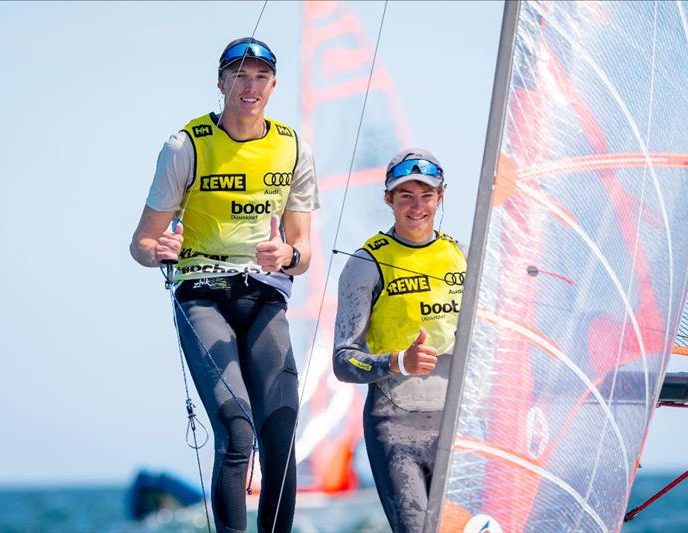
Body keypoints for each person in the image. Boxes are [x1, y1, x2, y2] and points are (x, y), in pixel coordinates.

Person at [130, 37, 319, 533]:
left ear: (273, 85)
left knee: (279, 427)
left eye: (260, 76)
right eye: (239, 75)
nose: (249, 86)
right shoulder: (185, 146)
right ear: (221, 83)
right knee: (238, 429)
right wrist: (158, 251)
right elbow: (142, 242)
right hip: (201, 296)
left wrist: (289, 255)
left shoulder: (293, 147)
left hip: (264, 297)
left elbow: (303, 252)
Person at [332, 149, 466, 532]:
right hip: (396, 430)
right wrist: (397, 362)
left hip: (456, 427)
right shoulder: (365, 263)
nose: (417, 206)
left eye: (426, 195)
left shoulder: (463, 256)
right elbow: (344, 361)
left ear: (441, 197)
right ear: (388, 199)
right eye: (405, 195)